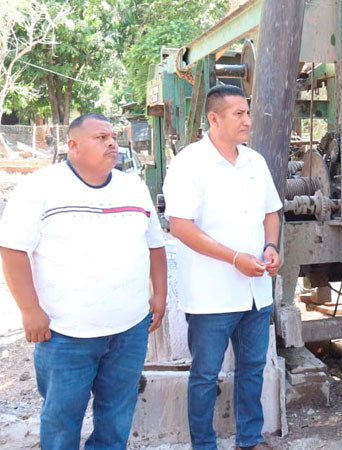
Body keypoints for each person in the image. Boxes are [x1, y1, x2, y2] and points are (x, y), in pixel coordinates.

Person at [0, 113, 167, 449]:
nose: (111, 143)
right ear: (72, 146)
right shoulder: (41, 187)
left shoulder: (133, 187)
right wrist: (30, 310)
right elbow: (13, 249)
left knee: (116, 416)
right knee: (62, 420)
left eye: (112, 137)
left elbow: (155, 246)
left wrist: (160, 295)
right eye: (100, 138)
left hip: (129, 330)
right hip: (66, 335)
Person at [162, 85, 282, 450]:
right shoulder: (189, 163)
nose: (247, 120)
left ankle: (250, 439)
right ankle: (204, 444)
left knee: (251, 370)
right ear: (214, 119)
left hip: (255, 292)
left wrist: (271, 246)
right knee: (204, 375)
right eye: (238, 114)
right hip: (212, 294)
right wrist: (234, 258)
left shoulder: (254, 162)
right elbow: (181, 226)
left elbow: (271, 212)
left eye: (247, 113)